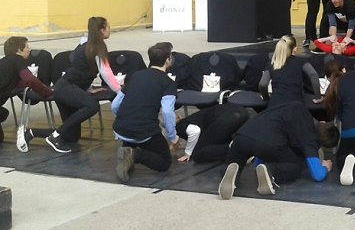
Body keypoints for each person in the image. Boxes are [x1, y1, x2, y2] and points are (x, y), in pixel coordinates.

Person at [34, 17, 121, 153]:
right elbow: (106, 71)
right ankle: (55, 136)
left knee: (72, 136)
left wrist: (86, 89)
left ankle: (31, 133)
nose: (110, 30)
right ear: (102, 31)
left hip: (67, 88)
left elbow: (81, 70)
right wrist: (119, 91)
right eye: (108, 27)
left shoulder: (87, 44)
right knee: (92, 106)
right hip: (65, 87)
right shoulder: (97, 46)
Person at [218, 101, 339, 198]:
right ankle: (271, 171)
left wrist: (258, 164)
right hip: (268, 144)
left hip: (243, 134)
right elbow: (317, 175)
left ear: (322, 122)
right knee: (294, 165)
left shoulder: (297, 106)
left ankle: (230, 171)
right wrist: (325, 167)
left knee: (234, 162)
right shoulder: (311, 140)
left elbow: (266, 129)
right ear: (321, 143)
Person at [111, 42, 178, 182]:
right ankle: (134, 155)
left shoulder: (136, 75)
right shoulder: (168, 82)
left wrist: (124, 118)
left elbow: (115, 105)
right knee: (165, 162)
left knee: (132, 137)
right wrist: (172, 136)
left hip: (121, 128)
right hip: (144, 131)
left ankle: (128, 152)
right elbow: (167, 112)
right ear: (167, 60)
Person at [0, 37, 54, 147]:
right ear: (18, 51)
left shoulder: (5, 62)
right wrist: (47, 92)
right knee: (3, 113)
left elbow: (15, 81)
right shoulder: (17, 60)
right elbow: (29, 79)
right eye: (27, 47)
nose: (29, 50)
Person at [175, 103, 250, 163]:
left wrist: (188, 152)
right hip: (242, 112)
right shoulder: (195, 117)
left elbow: (195, 131)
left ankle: (239, 150)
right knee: (217, 143)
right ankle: (244, 149)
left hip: (226, 119)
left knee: (198, 155)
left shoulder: (179, 126)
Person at [262, 35, 319, 108]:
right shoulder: (301, 61)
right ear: (294, 49)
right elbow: (313, 74)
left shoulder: (273, 63)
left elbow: (263, 84)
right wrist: (318, 97)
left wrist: (266, 97)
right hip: (295, 103)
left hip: (275, 104)